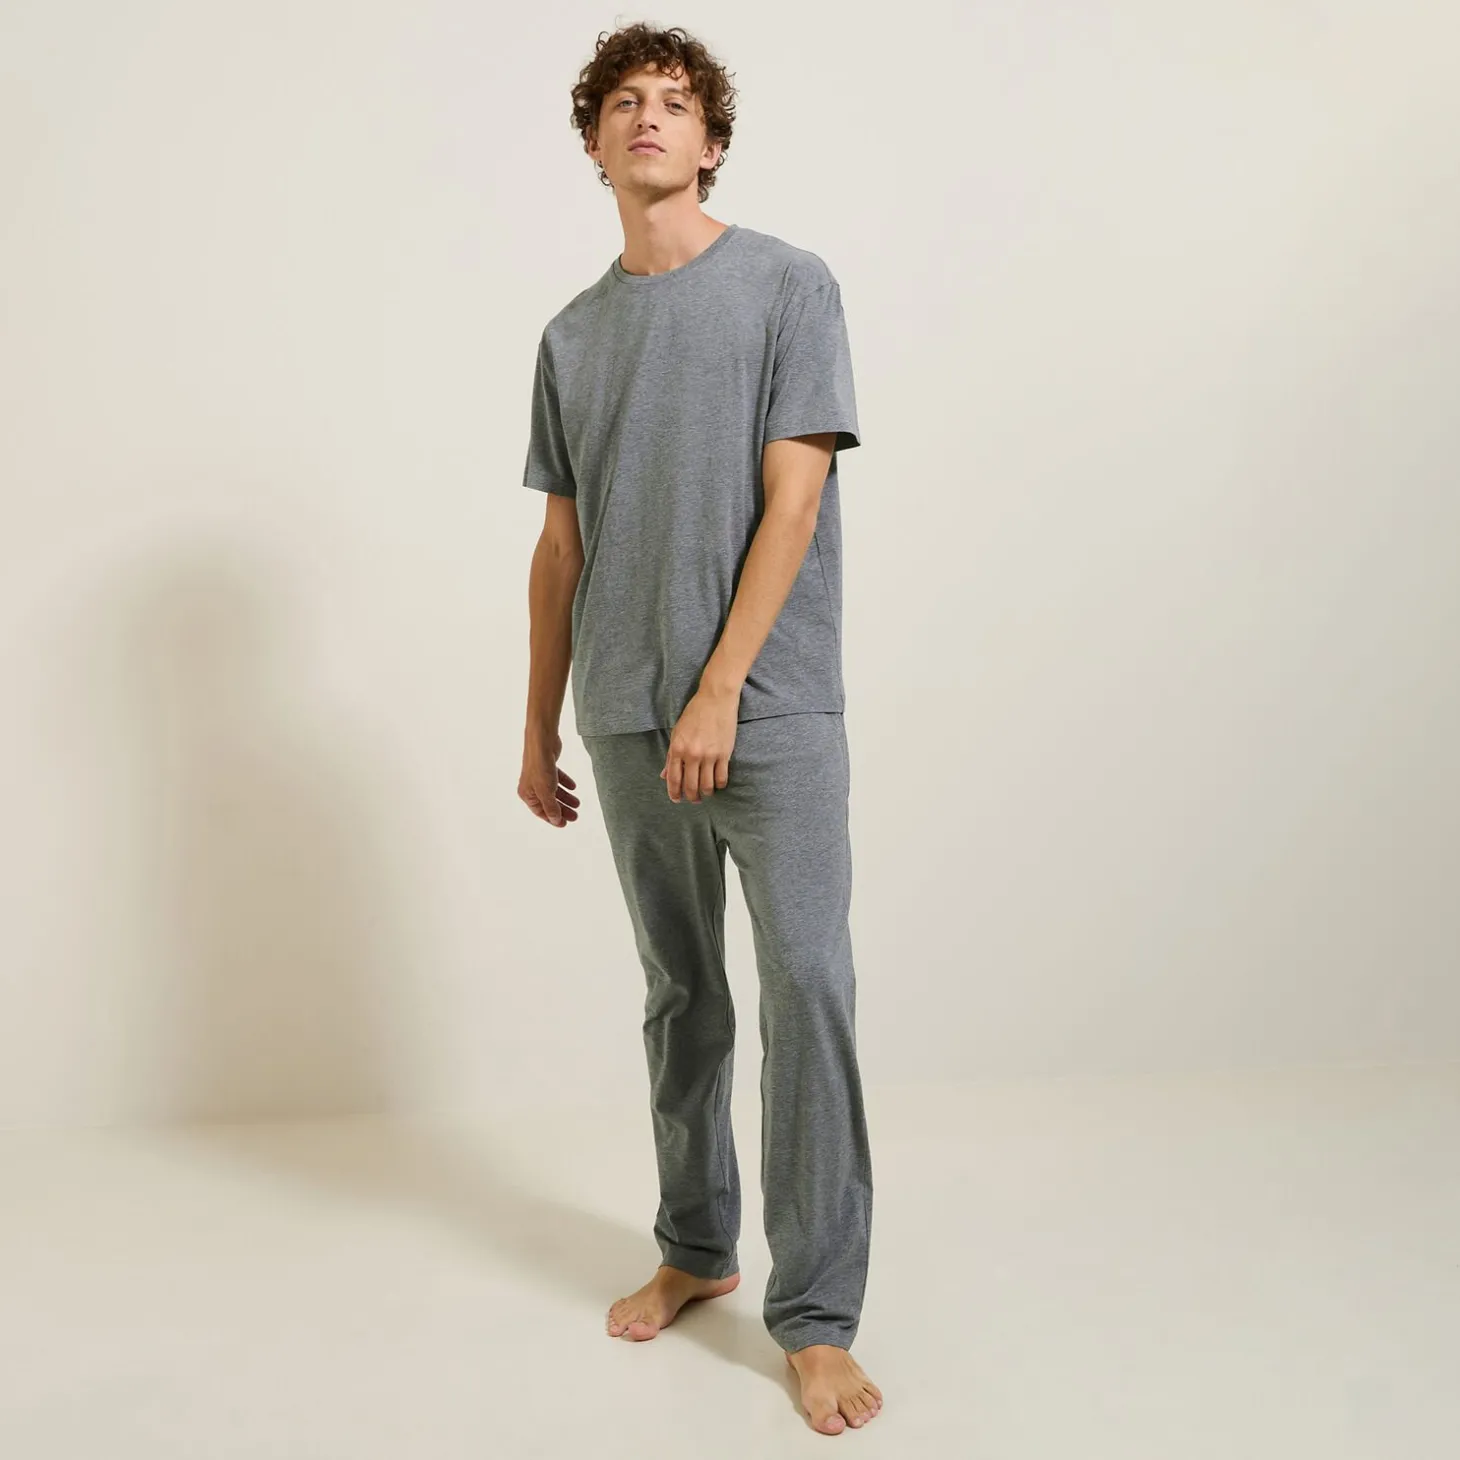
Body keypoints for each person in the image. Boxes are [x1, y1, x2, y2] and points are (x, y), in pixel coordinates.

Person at [517, 23, 881, 1436]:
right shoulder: (571, 335)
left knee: (808, 988)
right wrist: (536, 723)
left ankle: (818, 1317)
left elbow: (795, 499)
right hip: (621, 716)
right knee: (682, 999)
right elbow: (561, 548)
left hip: (769, 711)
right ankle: (696, 1245)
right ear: (594, 144)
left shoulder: (789, 286)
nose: (649, 119)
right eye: (624, 103)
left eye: (675, 102)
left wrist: (722, 685)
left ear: (711, 141)